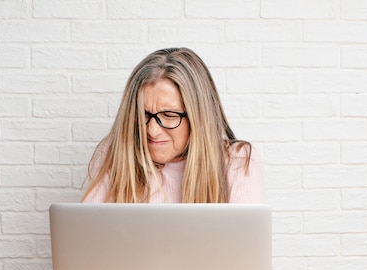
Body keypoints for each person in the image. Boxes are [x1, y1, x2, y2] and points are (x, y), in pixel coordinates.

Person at [81, 47, 264, 204]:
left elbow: (242, 245)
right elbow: (84, 239)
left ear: (198, 118)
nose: (152, 130)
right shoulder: (114, 155)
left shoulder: (238, 162)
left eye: (169, 115)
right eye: (142, 114)